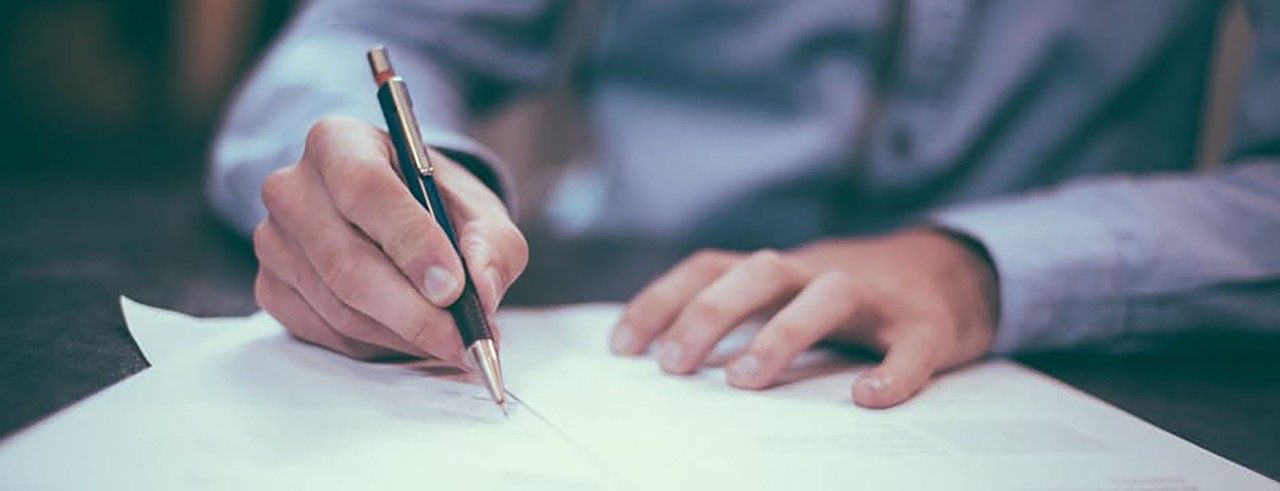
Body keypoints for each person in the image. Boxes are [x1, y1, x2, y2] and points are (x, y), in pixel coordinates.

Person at [210, 0, 1280, 409]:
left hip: (1084, 362)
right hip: (629, 326)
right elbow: (372, 33)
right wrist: (397, 185)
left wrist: (982, 262)